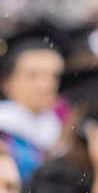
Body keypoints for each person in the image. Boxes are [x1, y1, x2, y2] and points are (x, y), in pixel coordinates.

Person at [0, 28, 65, 183]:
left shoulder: (57, 129)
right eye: (33, 75)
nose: (47, 85)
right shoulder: (4, 132)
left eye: (53, 76)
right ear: (7, 83)